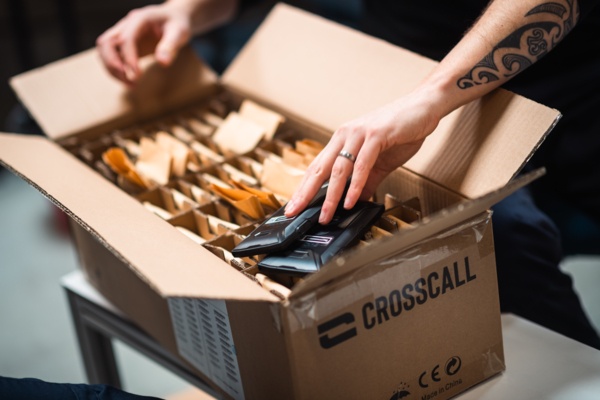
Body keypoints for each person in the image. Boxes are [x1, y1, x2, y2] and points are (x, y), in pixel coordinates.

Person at [96, 0, 600, 349]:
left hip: (568, 88)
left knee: (505, 237)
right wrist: (184, 10)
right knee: (492, 237)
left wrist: (429, 98)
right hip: (400, 76)